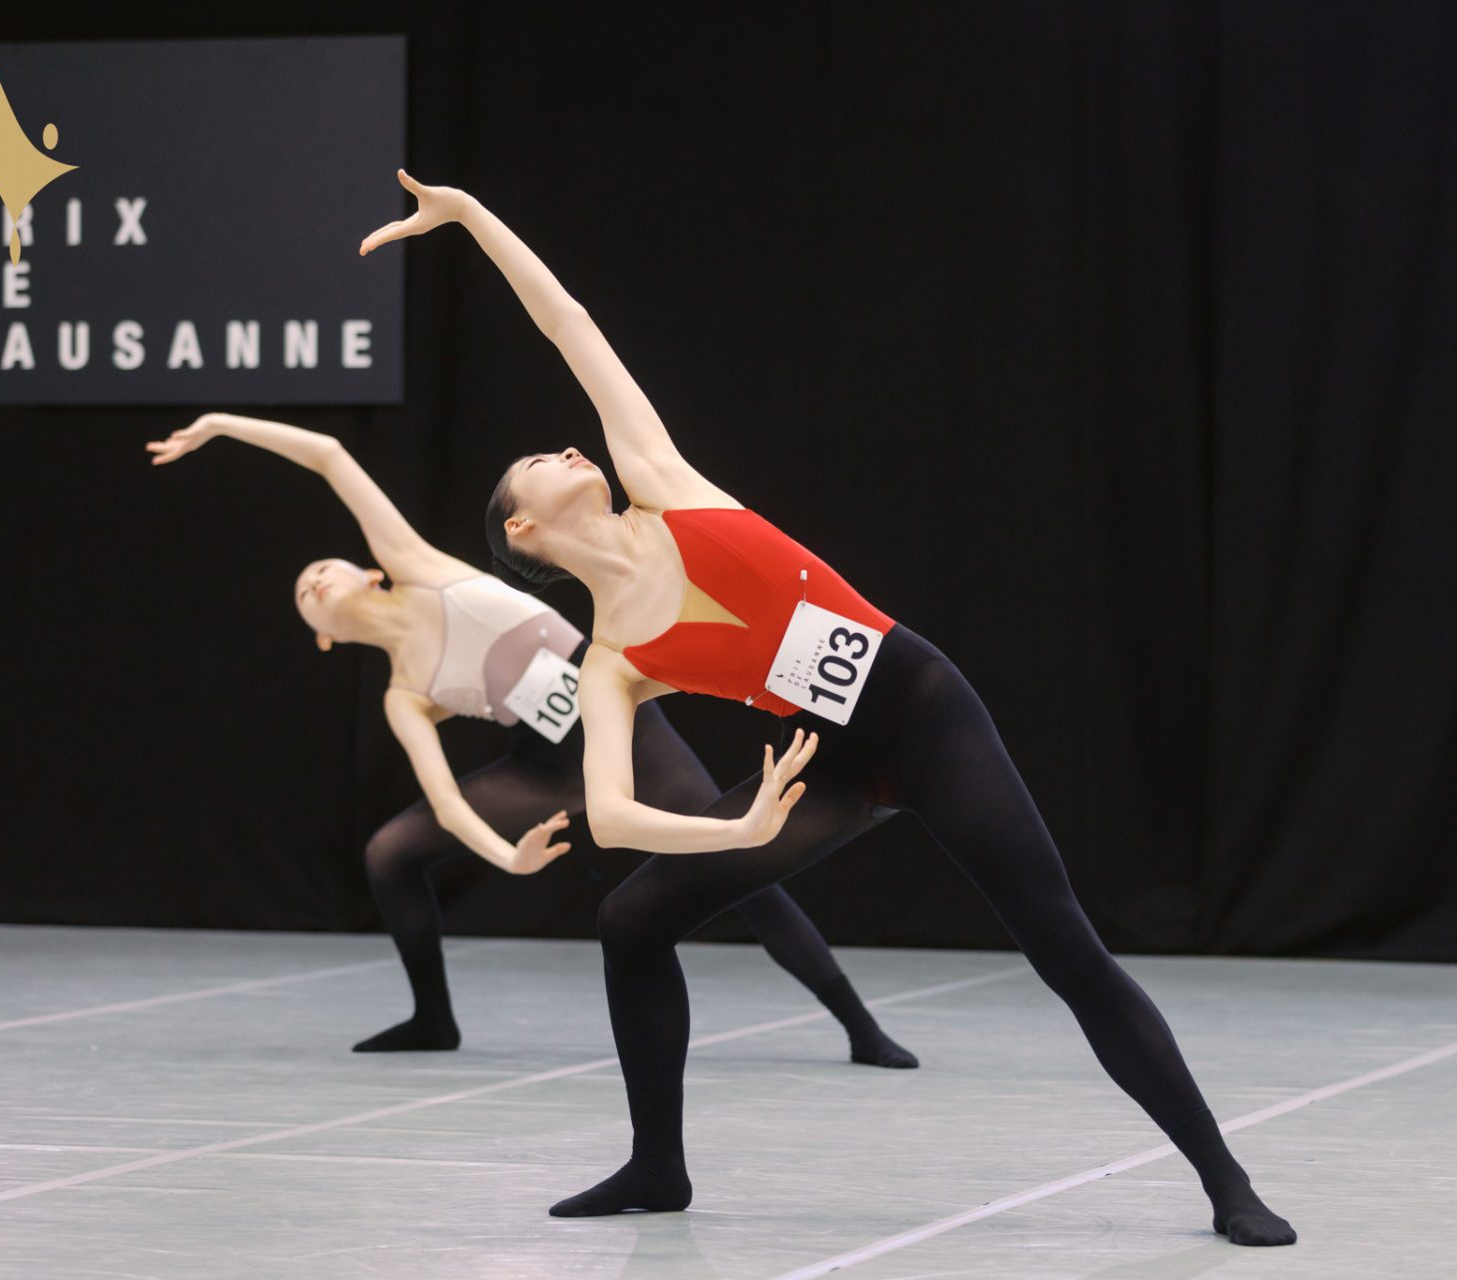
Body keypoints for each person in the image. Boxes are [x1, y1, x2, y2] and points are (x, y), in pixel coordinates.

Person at [359, 169, 1295, 1245]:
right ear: (522, 530)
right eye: (538, 461)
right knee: (631, 917)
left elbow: (564, 320)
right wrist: (739, 827)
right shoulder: (613, 659)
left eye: (567, 444)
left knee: (1063, 947)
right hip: (827, 767)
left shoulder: (663, 478)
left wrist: (471, 217)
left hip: (925, 713)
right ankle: (658, 1166)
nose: (569, 448)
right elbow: (609, 817)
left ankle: (1225, 1179)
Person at [142, 411, 918, 1069]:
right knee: (389, 851)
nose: (313, 583)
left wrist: (219, 425)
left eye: (321, 570)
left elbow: (329, 455)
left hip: (618, 726)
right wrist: (505, 857)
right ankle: (432, 1018)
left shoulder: (416, 567)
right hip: (543, 766)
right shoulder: (404, 694)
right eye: (303, 594)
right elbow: (446, 802)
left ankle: (858, 1024)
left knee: (738, 864)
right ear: (322, 637)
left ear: (366, 573)